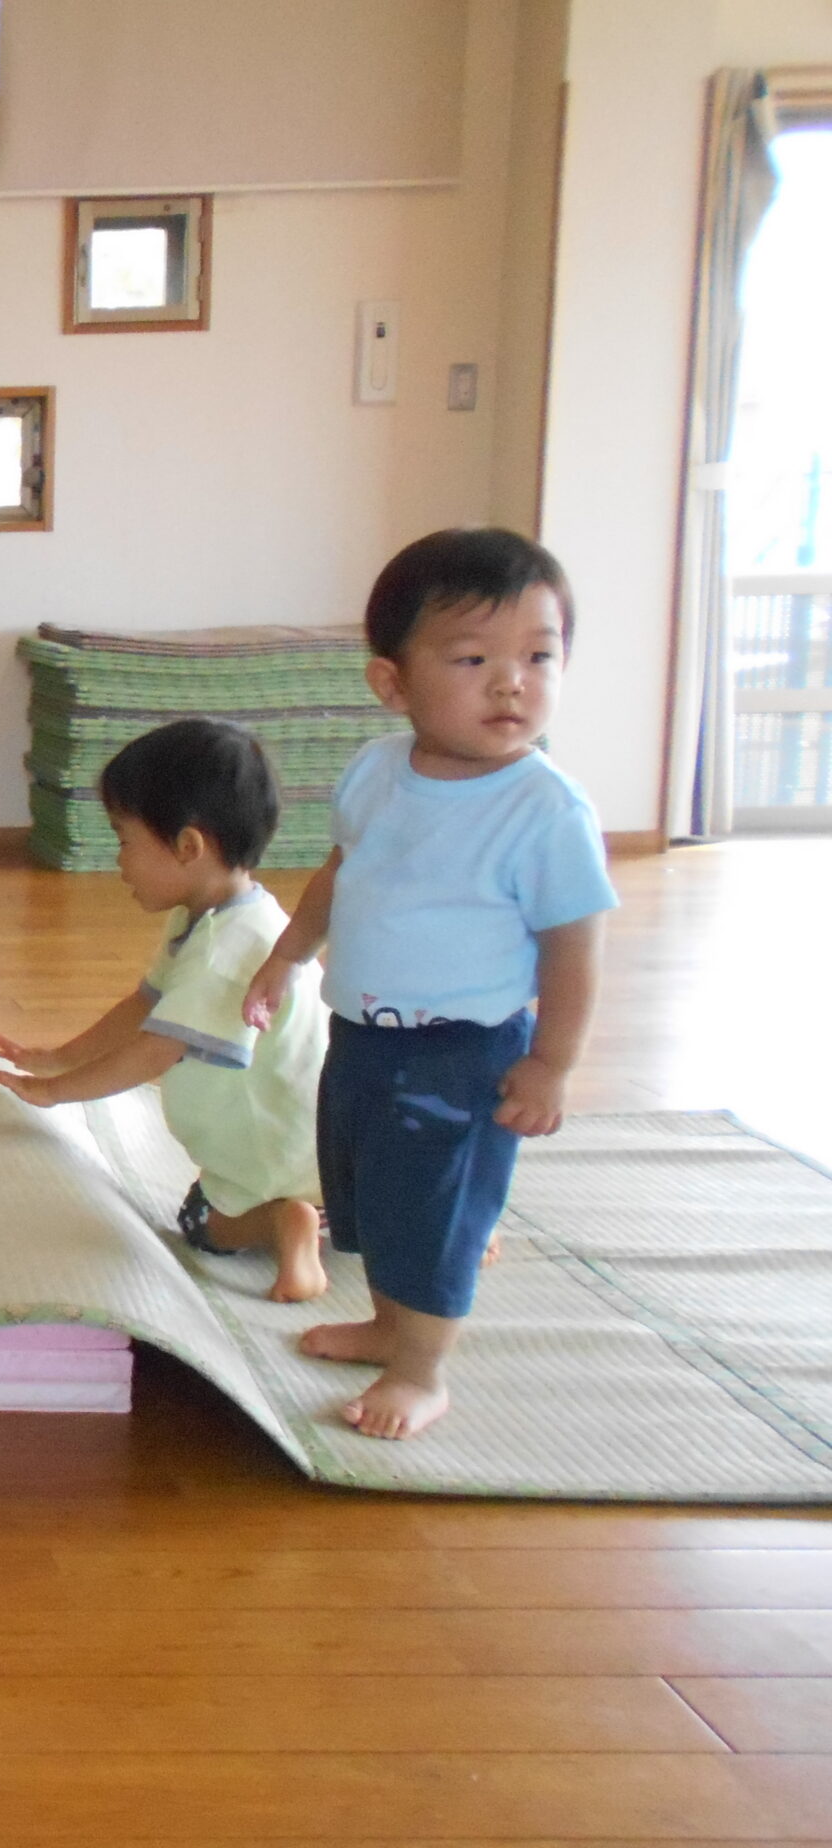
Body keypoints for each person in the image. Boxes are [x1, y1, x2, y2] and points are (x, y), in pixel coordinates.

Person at [245, 529, 616, 1440]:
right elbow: (343, 872)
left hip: (465, 1051)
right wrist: (288, 952)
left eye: (539, 656)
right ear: (393, 682)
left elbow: (574, 949)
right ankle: (387, 1323)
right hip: (361, 1033)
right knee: (369, 1191)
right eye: (473, 658)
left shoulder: (547, 813)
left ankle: (421, 1370)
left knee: (437, 1211)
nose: (512, 683)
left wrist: (552, 1064)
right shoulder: (377, 773)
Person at [0, 719, 331, 1302]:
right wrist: (58, 1058)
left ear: (188, 847)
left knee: (200, 1220)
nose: (118, 860)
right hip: (325, 1147)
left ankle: (283, 1221)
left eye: (125, 840)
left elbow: (153, 1051)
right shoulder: (231, 915)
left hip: (279, 1152)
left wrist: (55, 1092)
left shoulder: (223, 950)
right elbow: (145, 1006)